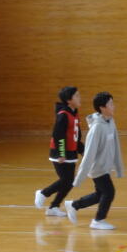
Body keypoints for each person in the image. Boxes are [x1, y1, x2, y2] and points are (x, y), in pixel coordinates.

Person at [65, 92, 123, 230]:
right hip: (97, 168)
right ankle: (98, 220)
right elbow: (88, 154)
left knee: (100, 194)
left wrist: (118, 167)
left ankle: (74, 205)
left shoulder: (110, 122)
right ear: (102, 108)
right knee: (109, 192)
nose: (113, 106)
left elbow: (116, 145)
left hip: (105, 167)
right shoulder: (96, 128)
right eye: (110, 104)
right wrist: (79, 178)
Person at [35, 86, 84, 217]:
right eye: (77, 96)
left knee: (69, 182)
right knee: (66, 180)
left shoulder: (74, 113)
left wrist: (83, 150)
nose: (80, 98)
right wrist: (61, 153)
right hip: (60, 153)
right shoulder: (63, 115)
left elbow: (76, 136)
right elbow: (58, 135)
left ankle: (54, 207)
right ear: (69, 100)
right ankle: (43, 193)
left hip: (71, 153)